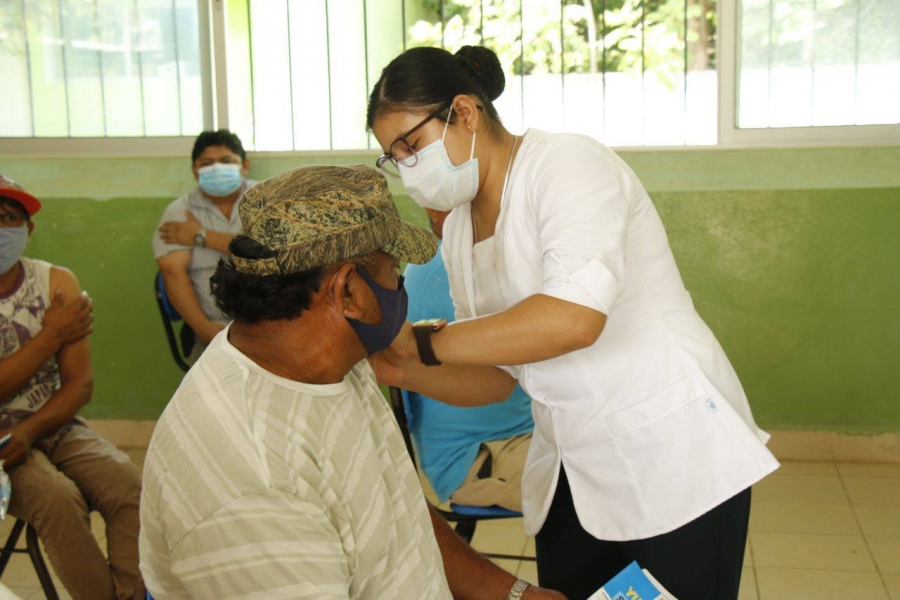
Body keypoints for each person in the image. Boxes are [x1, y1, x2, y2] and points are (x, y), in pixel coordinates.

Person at [366, 46, 780, 600]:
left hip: (673, 453)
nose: (408, 170)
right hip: (572, 467)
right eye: (393, 158)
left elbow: (573, 318)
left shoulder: (565, 165)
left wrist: (424, 343)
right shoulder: (460, 230)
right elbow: (498, 376)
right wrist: (402, 368)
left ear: (464, 112)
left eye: (411, 146)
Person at [139, 165, 565, 600]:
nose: (400, 284)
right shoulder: (252, 481)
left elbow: (398, 508)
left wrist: (514, 594)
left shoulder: (332, 361)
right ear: (347, 292)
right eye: (392, 268)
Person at [0, 175, 144, 600]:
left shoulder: (56, 283)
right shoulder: (56, 306)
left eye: (8, 218)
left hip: (54, 425)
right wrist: (50, 337)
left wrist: (31, 429)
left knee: (128, 484)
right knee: (59, 501)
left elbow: (80, 384)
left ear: (28, 229)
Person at [405, 207, 533, 511]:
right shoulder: (446, 270)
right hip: (481, 454)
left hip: (522, 436)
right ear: (435, 209)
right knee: (603, 486)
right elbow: (510, 373)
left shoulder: (466, 260)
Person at [152, 129, 256, 359]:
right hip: (212, 330)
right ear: (195, 171)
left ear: (245, 165)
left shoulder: (267, 201)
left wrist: (201, 236)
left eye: (226, 161)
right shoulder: (179, 212)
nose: (217, 169)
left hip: (275, 326)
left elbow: (270, 253)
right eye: (207, 164)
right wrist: (204, 329)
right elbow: (172, 272)